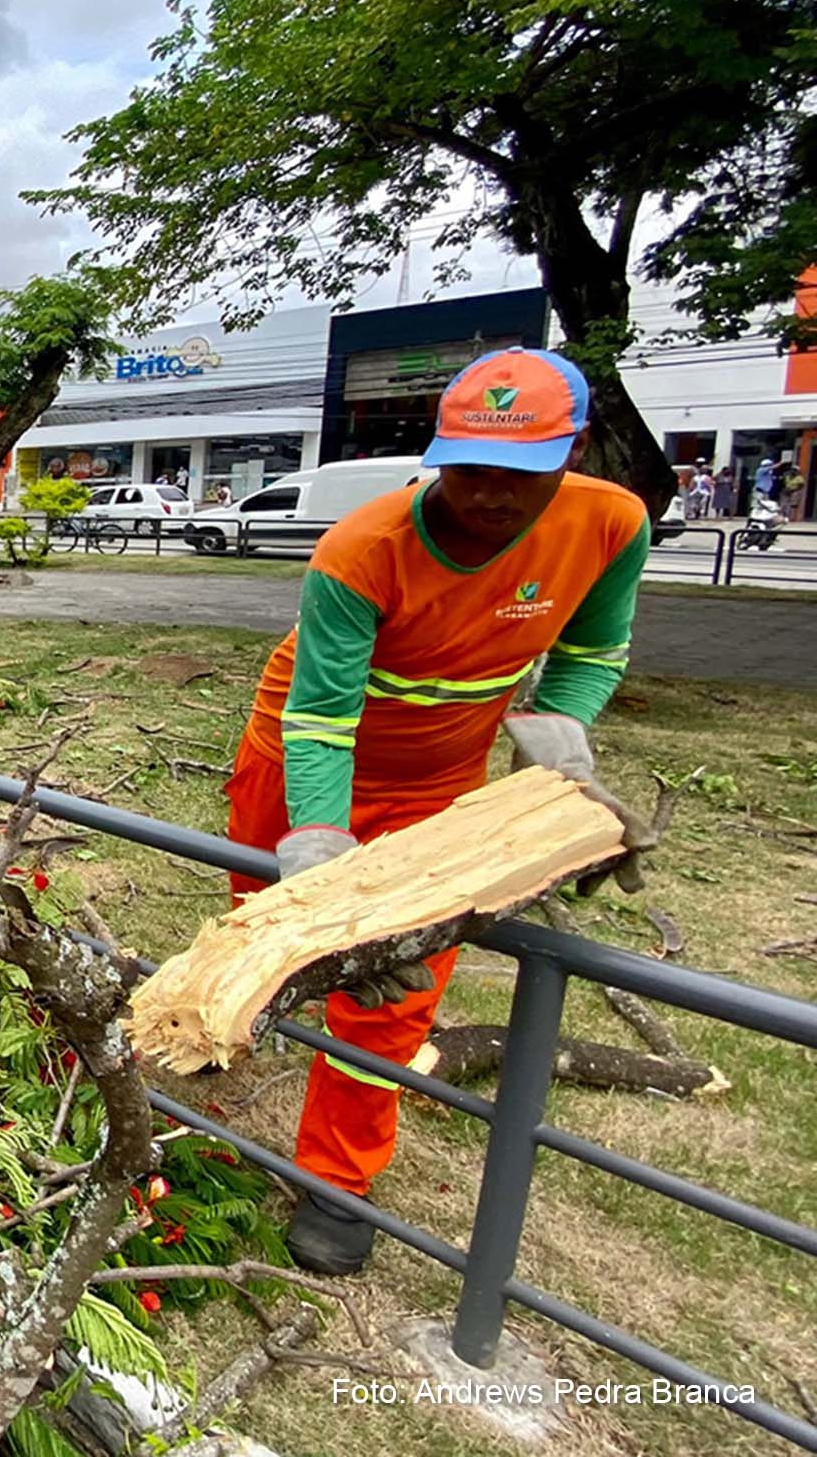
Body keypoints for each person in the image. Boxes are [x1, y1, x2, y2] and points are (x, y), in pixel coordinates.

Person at [226, 346, 653, 1276]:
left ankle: (337, 1180)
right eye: (470, 468)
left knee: (396, 993)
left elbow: (592, 652)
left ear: (571, 454)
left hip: (436, 788)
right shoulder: (364, 549)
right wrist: (320, 846)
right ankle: (234, 1037)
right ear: (439, 450)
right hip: (297, 760)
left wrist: (560, 740)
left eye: (520, 475)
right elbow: (322, 717)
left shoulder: (611, 525)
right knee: (278, 937)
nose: (491, 494)